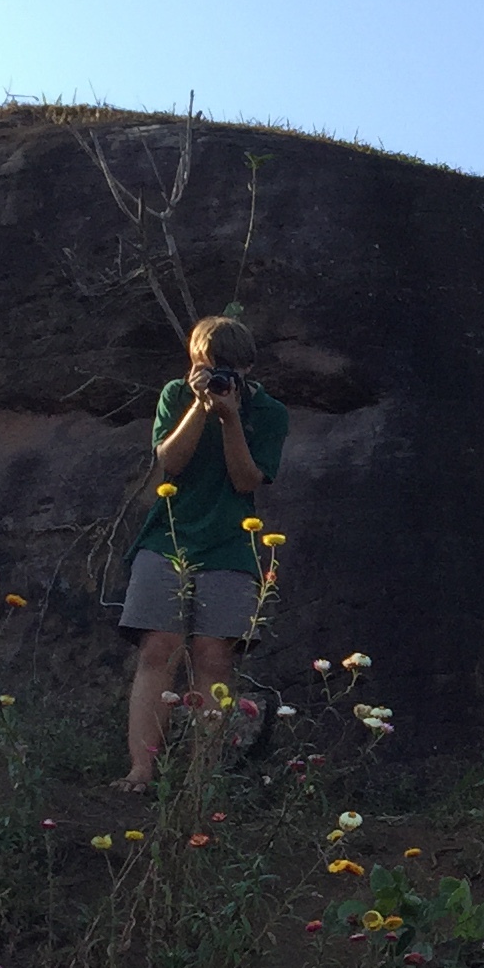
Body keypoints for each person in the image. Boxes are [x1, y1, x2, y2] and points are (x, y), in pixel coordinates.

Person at [118, 312, 288, 792]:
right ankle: (142, 768)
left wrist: (231, 418)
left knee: (214, 658)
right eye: (210, 367)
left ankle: (200, 779)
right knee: (158, 648)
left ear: (248, 368)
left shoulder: (270, 413)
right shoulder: (175, 395)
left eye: (228, 369)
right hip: (167, 535)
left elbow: (246, 480)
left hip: (231, 543)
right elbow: (168, 464)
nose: (219, 378)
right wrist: (199, 406)